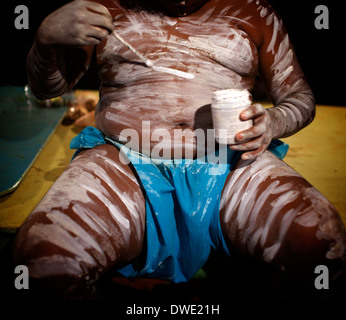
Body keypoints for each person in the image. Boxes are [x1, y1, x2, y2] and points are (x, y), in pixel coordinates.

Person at [13, 0, 346, 299]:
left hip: (230, 164)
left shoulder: (255, 11)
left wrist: (272, 122)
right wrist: (45, 40)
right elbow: (47, 90)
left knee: (319, 245)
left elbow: (300, 99)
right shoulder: (103, 9)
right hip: (122, 165)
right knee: (44, 263)